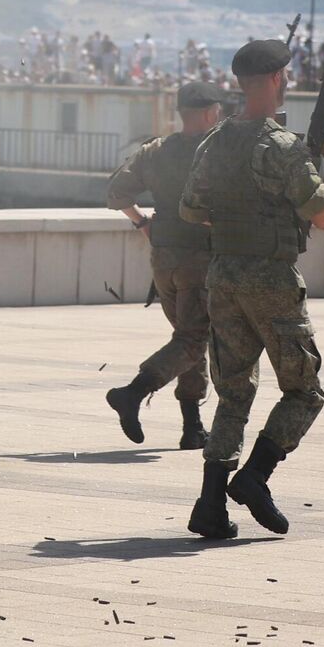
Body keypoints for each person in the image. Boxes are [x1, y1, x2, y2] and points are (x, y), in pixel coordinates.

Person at [180, 39, 324, 541]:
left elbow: (190, 209)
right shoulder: (283, 146)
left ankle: (210, 505)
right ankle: (254, 477)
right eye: (286, 74)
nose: (289, 80)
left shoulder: (216, 139)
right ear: (274, 80)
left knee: (232, 392)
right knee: (305, 390)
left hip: (222, 275)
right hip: (270, 279)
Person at [102, 80, 227, 450]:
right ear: (208, 113)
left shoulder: (156, 150)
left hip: (163, 259)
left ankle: (192, 428)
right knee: (192, 339)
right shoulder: (217, 153)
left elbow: (116, 193)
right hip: (200, 260)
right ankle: (133, 392)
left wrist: (142, 223)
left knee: (188, 338)